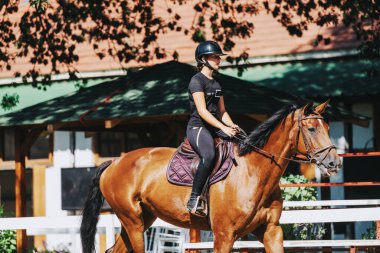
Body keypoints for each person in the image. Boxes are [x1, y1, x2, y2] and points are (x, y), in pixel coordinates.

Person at [186, 40, 239, 216]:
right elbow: (202, 111)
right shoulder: (196, 81)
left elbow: (222, 111)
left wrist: (232, 126)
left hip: (215, 126)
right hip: (198, 128)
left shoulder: (216, 83)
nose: (219, 60)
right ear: (203, 59)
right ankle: (194, 199)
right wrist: (223, 128)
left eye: (219, 57)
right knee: (208, 156)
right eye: (215, 57)